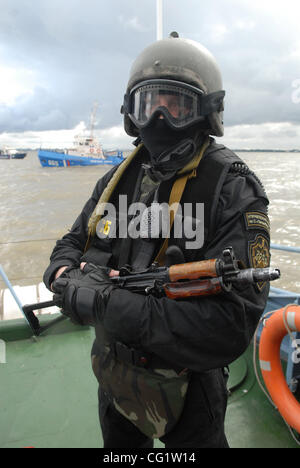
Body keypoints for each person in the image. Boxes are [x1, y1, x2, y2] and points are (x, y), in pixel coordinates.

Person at [44, 33, 271, 448]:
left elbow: (232, 324)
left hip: (189, 386)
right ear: (132, 111)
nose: (159, 118)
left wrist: (108, 303)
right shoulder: (114, 182)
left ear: (205, 112)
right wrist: (64, 277)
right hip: (113, 375)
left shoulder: (233, 189)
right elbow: (69, 245)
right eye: (149, 104)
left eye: (177, 105)